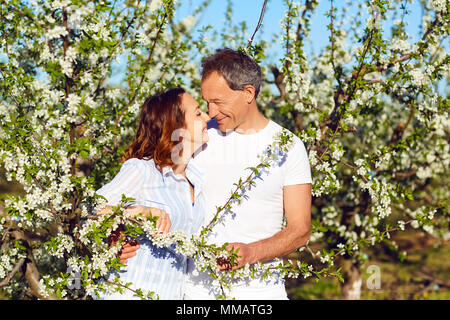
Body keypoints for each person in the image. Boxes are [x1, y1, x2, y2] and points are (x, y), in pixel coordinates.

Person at [119, 48, 312, 300]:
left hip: (261, 293)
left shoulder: (288, 146)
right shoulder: (196, 135)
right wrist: (121, 235)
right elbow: (151, 184)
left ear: (248, 93)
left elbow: (300, 229)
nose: (211, 112)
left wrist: (251, 253)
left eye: (218, 102)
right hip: (193, 292)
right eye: (206, 102)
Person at [94, 88, 210, 300]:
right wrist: (141, 212)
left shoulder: (197, 180)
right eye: (198, 113)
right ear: (176, 126)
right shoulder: (142, 170)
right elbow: (90, 210)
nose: (208, 117)